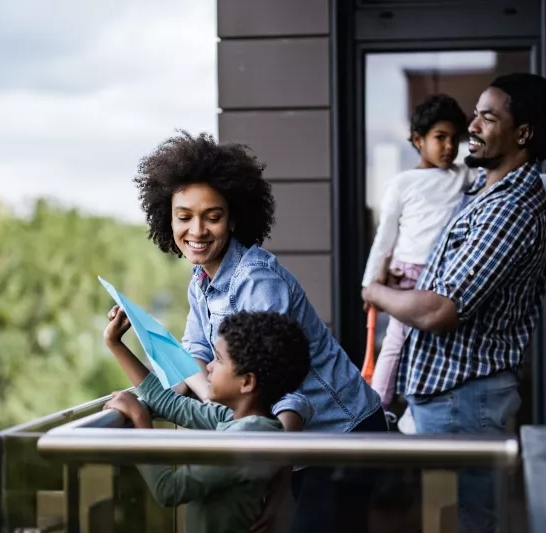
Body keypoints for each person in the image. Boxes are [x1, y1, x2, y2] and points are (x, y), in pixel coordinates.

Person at [121, 131, 386, 533]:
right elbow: (192, 354)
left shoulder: (258, 282)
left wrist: (278, 487)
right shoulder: (201, 279)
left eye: (213, 216)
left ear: (234, 218)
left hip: (339, 435)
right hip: (290, 442)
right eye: (184, 216)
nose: (197, 230)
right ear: (166, 217)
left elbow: (284, 389)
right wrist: (152, 397)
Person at [361, 73, 546, 533]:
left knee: (469, 524)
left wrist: (377, 292)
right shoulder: (484, 187)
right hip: (449, 398)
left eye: (487, 117)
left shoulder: (508, 210)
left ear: (523, 134)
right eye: (474, 114)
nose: (470, 127)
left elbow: (440, 311)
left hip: (464, 401)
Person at [361, 93, 546, 422]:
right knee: (395, 343)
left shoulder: (465, 177)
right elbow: (385, 236)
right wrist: (371, 283)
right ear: (417, 141)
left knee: (421, 341)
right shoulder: (402, 183)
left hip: (442, 278)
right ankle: (377, 410)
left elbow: (516, 179)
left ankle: (410, 414)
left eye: (455, 139)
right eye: (440, 138)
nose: (450, 146)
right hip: (408, 275)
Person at [103, 309, 311, 533]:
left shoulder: (246, 439)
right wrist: (115, 343)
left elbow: (169, 489)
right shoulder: (237, 419)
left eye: (219, 360)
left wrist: (139, 418)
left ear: (247, 382)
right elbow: (169, 403)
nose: (209, 366)